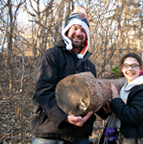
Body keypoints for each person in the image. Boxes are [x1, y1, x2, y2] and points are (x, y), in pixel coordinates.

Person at [31, 5, 109, 144]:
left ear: (86, 37)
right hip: (51, 134)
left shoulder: (89, 66)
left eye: (83, 30)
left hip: (80, 137)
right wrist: (64, 117)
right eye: (75, 28)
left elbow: (91, 98)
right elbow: (43, 92)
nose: (78, 33)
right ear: (67, 31)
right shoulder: (52, 56)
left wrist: (105, 110)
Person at [99, 53, 143, 144]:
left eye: (134, 66)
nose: (130, 69)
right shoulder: (125, 88)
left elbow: (132, 117)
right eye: (126, 66)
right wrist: (112, 110)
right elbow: (123, 108)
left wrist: (116, 99)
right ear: (122, 68)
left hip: (138, 139)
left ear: (140, 69)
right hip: (125, 137)